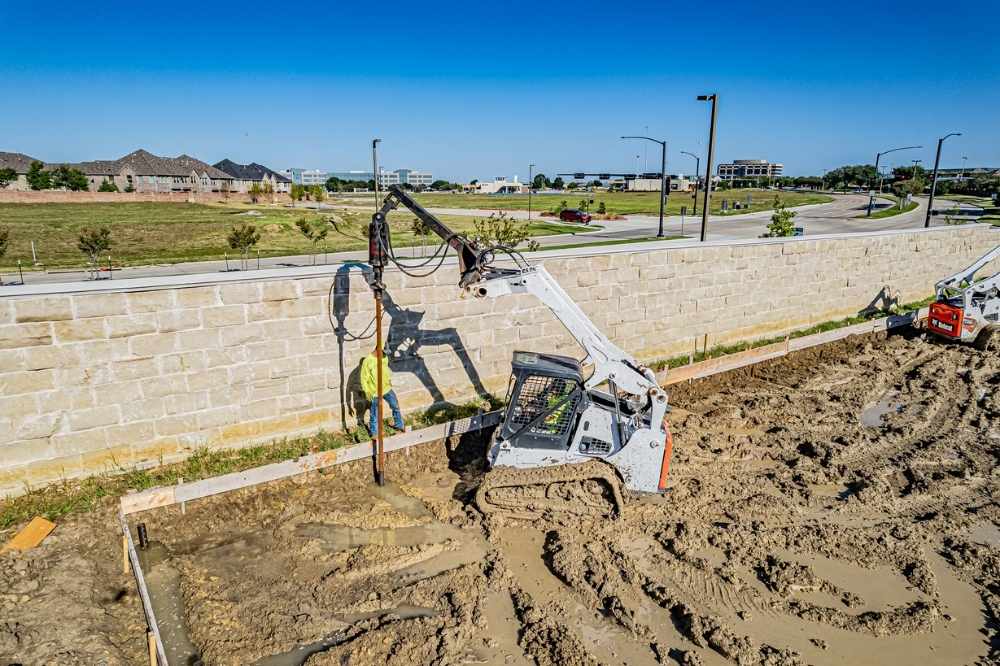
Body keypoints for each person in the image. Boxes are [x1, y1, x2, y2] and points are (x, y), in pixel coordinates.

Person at [361, 345, 405, 435]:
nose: (385, 355)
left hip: (386, 388)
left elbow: (385, 369)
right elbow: (363, 379)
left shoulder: (385, 357)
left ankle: (399, 425)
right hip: (375, 392)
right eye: (383, 352)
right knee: (375, 413)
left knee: (395, 406)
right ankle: (374, 432)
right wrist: (367, 391)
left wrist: (388, 380)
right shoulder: (367, 361)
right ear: (378, 349)